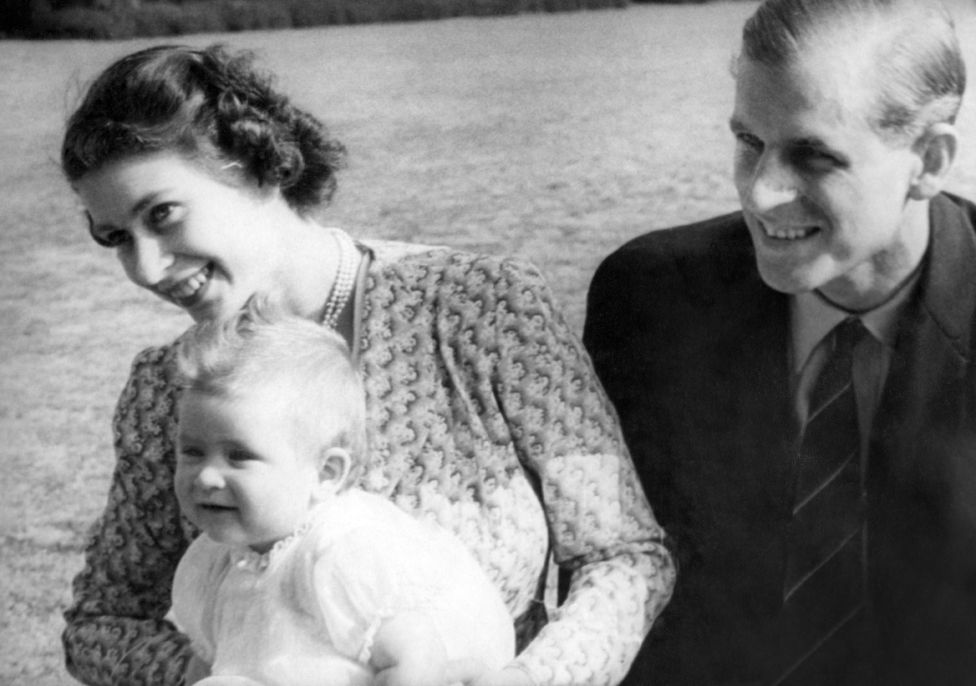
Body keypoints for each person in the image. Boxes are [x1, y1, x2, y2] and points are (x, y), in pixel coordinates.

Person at [60, 44, 675, 686]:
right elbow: (104, 621)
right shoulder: (170, 390)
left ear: (252, 166)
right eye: (117, 239)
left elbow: (623, 558)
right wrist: (214, 674)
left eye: (161, 215)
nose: (146, 267)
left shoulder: (479, 308)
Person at [585, 0, 975, 684]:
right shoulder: (648, 300)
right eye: (748, 141)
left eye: (813, 156)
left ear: (930, 160)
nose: (761, 193)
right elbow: (607, 565)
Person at [170, 300, 514, 686]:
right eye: (192, 452)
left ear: (326, 473)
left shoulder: (342, 552)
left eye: (239, 457)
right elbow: (213, 661)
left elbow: (417, 659)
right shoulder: (216, 561)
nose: (206, 477)